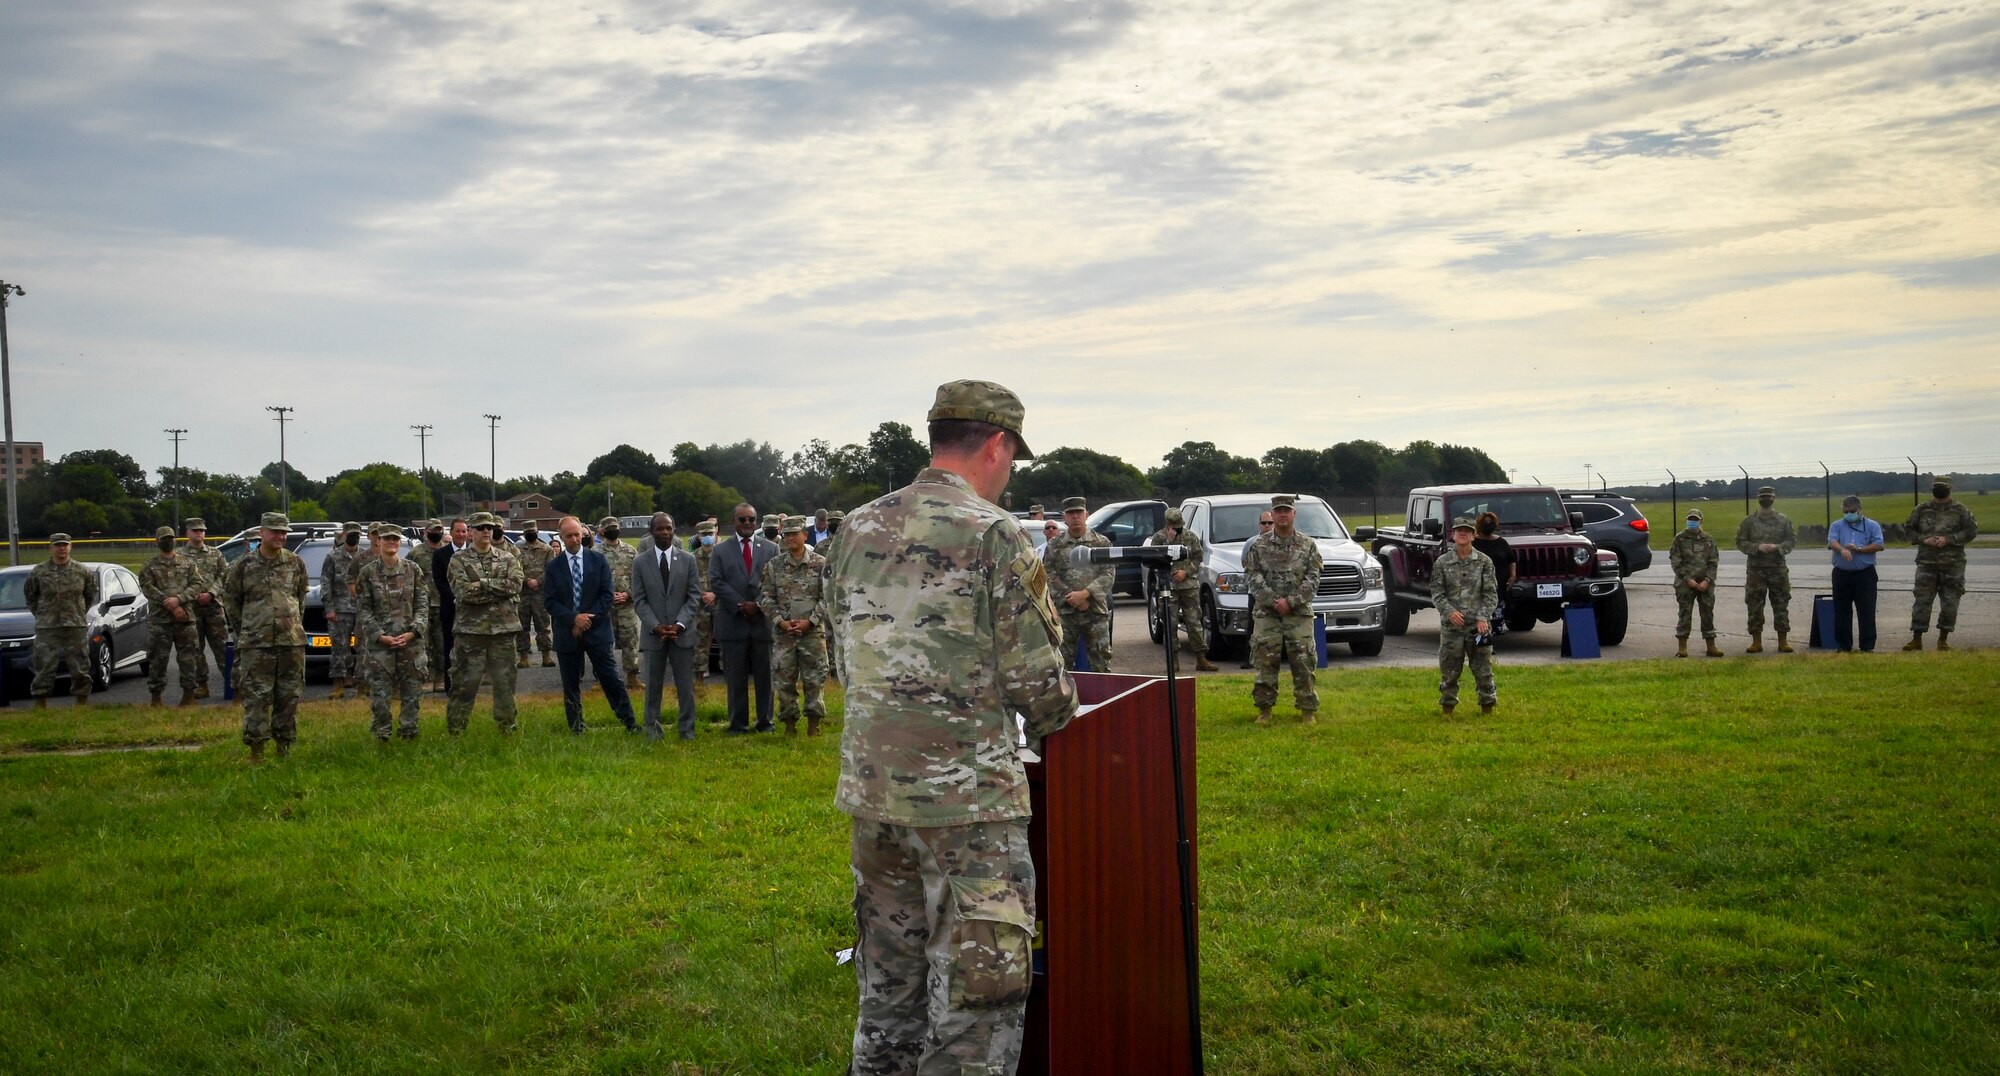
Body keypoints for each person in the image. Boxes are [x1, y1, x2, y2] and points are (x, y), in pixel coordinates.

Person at [826, 379, 1077, 1075]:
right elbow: (1041, 690)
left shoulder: (857, 526)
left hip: (876, 801)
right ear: (998, 445)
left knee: (889, 989)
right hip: (967, 808)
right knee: (977, 999)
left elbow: (839, 652)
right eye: (1012, 460)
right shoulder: (993, 533)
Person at [224, 512, 310, 762]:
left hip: (290, 642)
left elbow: (299, 599)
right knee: (257, 698)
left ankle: (284, 747)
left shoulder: (295, 562)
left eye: (284, 532)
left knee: (289, 697)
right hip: (256, 643)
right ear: (262, 532)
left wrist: (292, 625)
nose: (280, 536)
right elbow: (232, 603)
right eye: (275, 531)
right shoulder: (243, 566)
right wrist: (247, 630)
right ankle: (257, 752)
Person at [545, 516, 639, 734]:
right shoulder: (553, 567)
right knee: (570, 682)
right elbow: (550, 601)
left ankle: (629, 722)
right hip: (567, 633)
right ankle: (577, 727)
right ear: (561, 537)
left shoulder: (597, 561)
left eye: (578, 534)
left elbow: (606, 596)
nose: (575, 539)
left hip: (597, 631)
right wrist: (573, 619)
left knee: (610, 677)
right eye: (569, 536)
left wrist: (586, 619)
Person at [1243, 493, 1321, 724]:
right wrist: (1274, 600)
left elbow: (1313, 578)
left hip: (1298, 613)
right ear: (1272, 514)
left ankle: (1307, 710)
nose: (1283, 514)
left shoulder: (1308, 545)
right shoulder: (1258, 545)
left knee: (1303, 661)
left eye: (1287, 510)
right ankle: (1265, 710)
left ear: (1294, 513)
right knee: (1265, 661)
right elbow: (1252, 575)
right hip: (1268, 613)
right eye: (1278, 511)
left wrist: (1292, 601)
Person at [444, 511, 525, 735]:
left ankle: (507, 728)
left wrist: (483, 584)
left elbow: (516, 585)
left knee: (505, 683)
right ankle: (456, 730)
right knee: (464, 683)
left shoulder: (508, 558)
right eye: (480, 528)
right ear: (470, 532)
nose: (486, 531)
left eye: (489, 527)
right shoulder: (458, 560)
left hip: (503, 631)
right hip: (471, 632)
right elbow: (463, 592)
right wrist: (498, 589)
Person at [632, 512, 703, 740]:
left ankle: (687, 731)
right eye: (660, 529)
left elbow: (694, 596)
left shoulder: (687, 560)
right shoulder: (640, 562)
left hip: (682, 634)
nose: (665, 532)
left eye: (669, 528)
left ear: (674, 531)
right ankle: (653, 731)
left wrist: (680, 624)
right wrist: (656, 626)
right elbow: (639, 599)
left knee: (685, 688)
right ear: (651, 532)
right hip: (654, 636)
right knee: (652, 687)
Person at [355, 523, 428, 741]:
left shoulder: (412, 570)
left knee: (412, 695)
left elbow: (422, 603)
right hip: (380, 646)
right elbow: (364, 609)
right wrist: (379, 635)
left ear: (400, 542)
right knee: (380, 696)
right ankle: (382, 737)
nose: (391, 542)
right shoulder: (367, 573)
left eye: (395, 539)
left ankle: (409, 735)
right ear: (378, 541)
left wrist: (414, 631)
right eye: (386, 538)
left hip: (410, 643)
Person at [712, 502, 780, 734]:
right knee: (735, 678)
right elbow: (716, 581)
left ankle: (765, 723)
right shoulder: (720, 551)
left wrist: (757, 604)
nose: (748, 523)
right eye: (743, 519)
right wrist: (740, 605)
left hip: (762, 622)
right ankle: (738, 724)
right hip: (733, 621)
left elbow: (775, 582)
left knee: (765, 677)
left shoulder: (771, 549)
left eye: (751, 519)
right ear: (734, 522)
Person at [761, 515, 829, 735]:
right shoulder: (774, 565)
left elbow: (828, 597)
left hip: (812, 634)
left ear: (804, 535)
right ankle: (789, 724)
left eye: (794, 534)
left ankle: (814, 724)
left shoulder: (820, 563)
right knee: (784, 681)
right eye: (786, 534)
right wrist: (780, 622)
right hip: (784, 636)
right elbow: (766, 598)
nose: (789, 538)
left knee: (815, 679)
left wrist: (811, 621)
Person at [1904, 476, 1979, 651]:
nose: (1940, 490)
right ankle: (1916, 639)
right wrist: (1925, 539)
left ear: (1950, 488)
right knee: (1922, 601)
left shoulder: (1960, 510)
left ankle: (1943, 640)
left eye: (1943, 487)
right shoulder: (1921, 509)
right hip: (1926, 563)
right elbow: (1908, 530)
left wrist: (1949, 539)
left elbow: (1971, 531)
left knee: (1950, 602)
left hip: (1953, 565)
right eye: (1937, 487)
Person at [23, 533, 98, 708]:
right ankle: (41, 701)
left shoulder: (82, 571)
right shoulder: (39, 571)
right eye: (58, 545)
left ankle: (82, 700)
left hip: (75, 626)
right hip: (48, 627)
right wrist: (43, 614)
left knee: (79, 664)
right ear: (51, 548)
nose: (62, 548)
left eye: (65, 545)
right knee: (44, 665)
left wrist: (77, 613)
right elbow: (30, 595)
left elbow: (89, 595)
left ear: (70, 547)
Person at [1432, 517, 1497, 716]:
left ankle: (1487, 708)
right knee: (1450, 671)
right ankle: (1447, 710)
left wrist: (1483, 617)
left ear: (1474, 535)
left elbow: (1491, 593)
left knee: (1483, 670)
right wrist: (1449, 612)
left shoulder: (1484, 562)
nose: (1463, 533)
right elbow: (1437, 592)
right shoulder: (1442, 563)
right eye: (1459, 530)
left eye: (1467, 531)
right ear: (1453, 535)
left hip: (1478, 627)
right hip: (1452, 628)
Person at [1042, 496, 1112, 672]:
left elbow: (1108, 573)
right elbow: (1048, 574)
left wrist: (1085, 594)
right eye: (1070, 513)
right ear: (1064, 518)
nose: (1075, 517)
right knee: (1062, 664)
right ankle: (1068, 700)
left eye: (1079, 513)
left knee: (1101, 661)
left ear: (1086, 514)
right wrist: (1071, 596)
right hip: (1065, 613)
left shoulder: (1101, 543)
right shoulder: (1054, 545)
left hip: (1095, 611)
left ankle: (1102, 697)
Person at [137, 525, 201, 707]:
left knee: (188, 658)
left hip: (185, 619)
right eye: (164, 539)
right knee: (158, 659)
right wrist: (170, 604)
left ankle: (189, 695)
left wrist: (179, 599)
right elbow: (148, 588)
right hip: (160, 621)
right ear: (157, 542)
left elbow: (197, 584)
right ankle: (156, 697)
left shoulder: (188, 563)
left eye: (171, 538)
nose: (168, 542)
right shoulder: (149, 566)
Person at [1147, 507, 1216, 671]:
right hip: (1168, 587)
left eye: (1179, 525)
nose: (1177, 529)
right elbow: (1153, 560)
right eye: (1174, 525)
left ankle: (1201, 658)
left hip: (1188, 586)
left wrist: (1186, 572)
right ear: (1168, 524)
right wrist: (1169, 543)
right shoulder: (1158, 538)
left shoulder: (1190, 536)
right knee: (1170, 623)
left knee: (1194, 622)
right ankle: (1173, 660)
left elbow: (1198, 557)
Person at [1734, 485, 1796, 653]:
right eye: (1763, 496)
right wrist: (1757, 547)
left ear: (1774, 498)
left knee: (1781, 604)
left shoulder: (1783, 520)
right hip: (1756, 570)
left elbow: (1791, 541)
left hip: (1778, 569)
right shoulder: (1749, 521)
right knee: (1754, 605)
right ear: (1758, 498)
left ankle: (1783, 641)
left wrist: (1778, 547)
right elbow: (1740, 542)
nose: (1766, 499)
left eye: (1769, 496)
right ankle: (1756, 641)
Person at [1826, 496, 1885, 653]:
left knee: (1866, 610)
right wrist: (1842, 549)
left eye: (1852, 511)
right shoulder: (1837, 525)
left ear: (1860, 510)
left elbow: (1879, 545)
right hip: (1841, 574)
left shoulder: (1872, 525)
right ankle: (1844, 646)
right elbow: (1832, 542)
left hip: (1865, 574)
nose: (1849, 514)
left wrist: (1859, 549)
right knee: (1841, 611)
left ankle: (1867, 646)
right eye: (1846, 511)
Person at [180, 517, 230, 699]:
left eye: (201, 530)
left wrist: (211, 593)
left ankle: (231, 683)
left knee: (222, 646)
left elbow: (224, 576)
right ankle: (202, 684)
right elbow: (177, 581)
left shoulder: (215, 554)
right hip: (191, 608)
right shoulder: (180, 556)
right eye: (195, 530)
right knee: (195, 648)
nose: (199, 533)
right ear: (187, 533)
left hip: (213, 607)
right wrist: (191, 596)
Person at [597, 516, 644, 692]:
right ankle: (602, 679)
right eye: (608, 527)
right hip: (605, 607)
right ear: (602, 531)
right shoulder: (596, 552)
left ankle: (632, 678)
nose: (612, 530)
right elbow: (593, 580)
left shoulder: (631, 551)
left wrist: (628, 594)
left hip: (627, 606)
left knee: (630, 642)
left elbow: (639, 579)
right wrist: (608, 596)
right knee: (602, 644)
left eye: (614, 527)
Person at [1670, 509, 1724, 657]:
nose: (1692, 522)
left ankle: (1711, 645)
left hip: (1705, 583)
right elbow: (1676, 561)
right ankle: (1682, 646)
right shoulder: (1680, 539)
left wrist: (1708, 580)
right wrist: (1689, 580)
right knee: (1685, 614)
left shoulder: (1708, 539)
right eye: (1690, 519)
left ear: (1701, 521)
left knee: (1707, 613)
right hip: (1685, 583)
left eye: (1695, 519)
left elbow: (1714, 561)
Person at [322, 521, 366, 699]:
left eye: (357, 533)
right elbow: (326, 583)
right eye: (351, 534)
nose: (354, 537)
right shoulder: (333, 556)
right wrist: (329, 608)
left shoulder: (364, 556)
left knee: (363, 647)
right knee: (340, 647)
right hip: (340, 609)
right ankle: (338, 683)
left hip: (362, 609)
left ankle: (362, 684)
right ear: (343, 535)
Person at [411, 518, 448, 692]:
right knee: (423, 643)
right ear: (426, 532)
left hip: (442, 603)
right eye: (434, 530)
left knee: (441, 643)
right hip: (423, 604)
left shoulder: (447, 552)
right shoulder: (416, 553)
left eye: (439, 530)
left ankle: (440, 677)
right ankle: (427, 677)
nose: (437, 533)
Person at [515, 522, 556, 668]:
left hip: (540, 594)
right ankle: (523, 657)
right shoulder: (517, 549)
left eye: (533, 531)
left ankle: (546, 655)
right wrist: (526, 581)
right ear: (524, 533)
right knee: (522, 626)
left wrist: (538, 581)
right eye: (528, 531)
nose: (530, 533)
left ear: (537, 532)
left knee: (543, 625)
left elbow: (551, 569)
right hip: (523, 594)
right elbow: (515, 569)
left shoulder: (547, 549)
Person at [1470, 512, 1516, 634]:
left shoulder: (1501, 542)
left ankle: (1492, 636)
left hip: (1499, 586)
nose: (1488, 524)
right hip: (1478, 587)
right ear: (1479, 524)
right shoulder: (1473, 543)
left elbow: (1511, 560)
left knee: (1496, 619)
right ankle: (1484, 643)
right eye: (1485, 522)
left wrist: (1512, 575)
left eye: (1491, 522)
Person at [692, 518, 720, 683]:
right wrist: (703, 595)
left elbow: (728, 578)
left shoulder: (722, 554)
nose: (707, 536)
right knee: (701, 639)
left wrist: (714, 594)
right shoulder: (693, 558)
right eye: (704, 534)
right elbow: (689, 582)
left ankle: (727, 672)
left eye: (710, 533)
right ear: (699, 536)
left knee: (723, 638)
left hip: (720, 602)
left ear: (716, 533)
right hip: (700, 604)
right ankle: (700, 673)